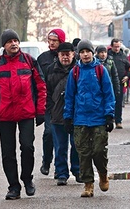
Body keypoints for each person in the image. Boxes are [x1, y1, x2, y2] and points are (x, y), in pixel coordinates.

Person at [0, 29, 47, 200]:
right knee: (7, 153)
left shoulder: (29, 61)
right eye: (10, 41)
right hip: (5, 116)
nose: (14, 44)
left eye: (16, 40)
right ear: (4, 45)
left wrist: (41, 111)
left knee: (27, 147)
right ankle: (13, 187)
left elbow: (41, 86)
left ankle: (27, 179)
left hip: (27, 114)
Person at [63, 39, 115, 198]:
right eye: (82, 52)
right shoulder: (75, 72)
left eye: (88, 51)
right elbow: (70, 96)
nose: (85, 54)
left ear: (92, 53)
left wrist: (109, 115)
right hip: (80, 119)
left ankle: (103, 174)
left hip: (99, 118)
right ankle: (88, 184)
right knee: (83, 153)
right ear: (79, 54)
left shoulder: (100, 70)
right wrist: (67, 117)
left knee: (99, 151)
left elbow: (108, 94)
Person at [45, 42, 81, 186]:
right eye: (62, 54)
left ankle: (77, 171)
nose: (65, 57)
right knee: (60, 145)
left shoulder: (79, 69)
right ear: (58, 56)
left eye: (68, 54)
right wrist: (50, 108)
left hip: (76, 113)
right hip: (57, 113)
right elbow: (45, 91)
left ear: (73, 54)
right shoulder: (50, 70)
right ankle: (61, 173)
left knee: (76, 144)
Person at [37, 28, 66, 176]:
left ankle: (59, 167)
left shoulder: (67, 57)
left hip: (64, 103)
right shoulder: (42, 58)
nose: (52, 43)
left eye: (55, 40)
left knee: (61, 136)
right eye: (50, 40)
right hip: (48, 103)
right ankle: (46, 160)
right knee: (49, 132)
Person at [107, 38, 130, 129]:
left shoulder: (123, 56)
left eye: (118, 46)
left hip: (120, 82)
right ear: (111, 46)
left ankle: (118, 121)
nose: (117, 48)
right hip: (109, 82)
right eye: (115, 46)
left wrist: (127, 76)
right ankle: (109, 119)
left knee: (119, 102)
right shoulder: (107, 55)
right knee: (109, 102)